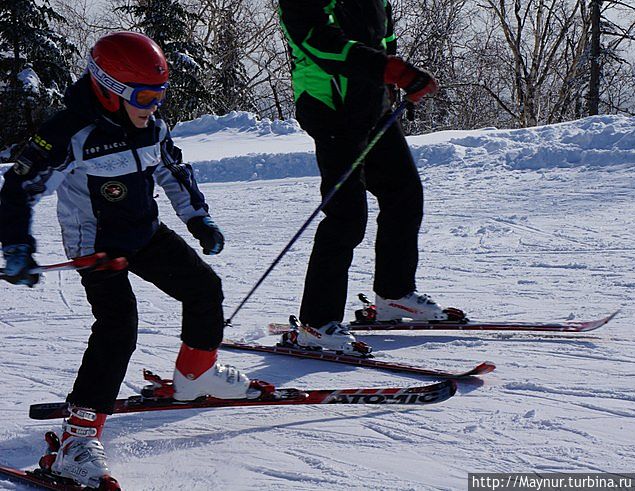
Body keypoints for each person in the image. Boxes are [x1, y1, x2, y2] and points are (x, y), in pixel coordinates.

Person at [0, 32, 256, 488]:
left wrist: (199, 219)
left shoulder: (150, 125)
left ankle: (195, 375)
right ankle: (76, 442)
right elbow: (19, 190)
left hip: (144, 233)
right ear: (109, 86)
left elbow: (173, 170)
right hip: (96, 246)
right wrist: (17, 246)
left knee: (204, 288)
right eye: (145, 95)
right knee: (119, 327)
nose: (154, 105)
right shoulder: (68, 133)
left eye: (161, 94)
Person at [278, 0, 454, 353]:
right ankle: (316, 323)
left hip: (371, 104)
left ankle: (394, 294)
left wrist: (391, 81)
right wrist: (392, 70)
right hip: (329, 107)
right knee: (347, 217)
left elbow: (383, 33)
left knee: (404, 193)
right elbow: (322, 45)